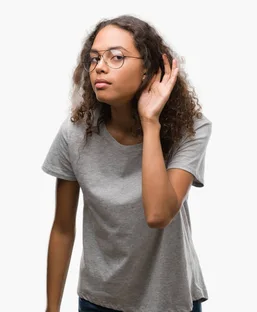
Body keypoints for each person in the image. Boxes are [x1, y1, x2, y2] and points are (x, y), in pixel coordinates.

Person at [42, 14, 211, 312]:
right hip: (98, 301)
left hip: (169, 301)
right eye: (94, 59)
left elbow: (158, 213)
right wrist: (51, 309)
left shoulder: (191, 130)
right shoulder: (74, 134)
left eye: (116, 57)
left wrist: (150, 122)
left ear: (148, 70)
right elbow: (62, 228)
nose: (100, 67)